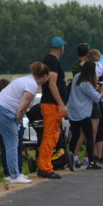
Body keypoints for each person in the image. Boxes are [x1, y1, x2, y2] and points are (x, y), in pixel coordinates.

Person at [0, 62, 49, 184]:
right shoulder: (32, 86)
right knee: (12, 143)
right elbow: (22, 108)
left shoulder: (26, 80)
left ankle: (12, 173)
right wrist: (17, 121)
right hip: (4, 110)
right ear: (44, 76)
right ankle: (14, 175)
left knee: (9, 143)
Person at [38, 36, 69, 179]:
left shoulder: (49, 60)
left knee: (53, 135)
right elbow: (52, 84)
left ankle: (46, 164)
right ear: (60, 47)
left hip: (52, 103)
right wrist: (61, 104)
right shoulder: (52, 61)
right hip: (52, 104)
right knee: (50, 136)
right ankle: (45, 167)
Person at [67, 62, 103, 171]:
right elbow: (97, 98)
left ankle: (71, 158)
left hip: (73, 112)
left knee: (75, 135)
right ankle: (91, 161)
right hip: (83, 113)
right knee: (89, 137)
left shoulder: (76, 77)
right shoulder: (86, 84)